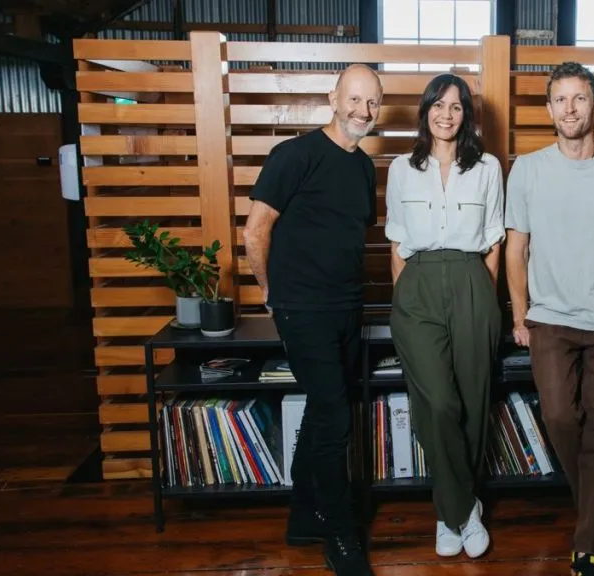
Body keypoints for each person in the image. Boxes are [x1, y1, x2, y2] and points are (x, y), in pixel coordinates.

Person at [504, 61, 594, 576]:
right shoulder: (527, 169)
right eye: (560, 100)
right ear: (549, 109)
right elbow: (516, 248)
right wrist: (520, 315)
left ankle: (588, 540)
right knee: (562, 418)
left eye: (579, 99)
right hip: (550, 317)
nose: (570, 108)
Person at [243, 63, 382, 576]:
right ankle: (341, 537)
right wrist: (271, 293)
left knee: (327, 411)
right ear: (333, 97)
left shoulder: (364, 167)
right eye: (354, 99)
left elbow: (349, 233)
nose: (362, 111)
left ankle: (304, 516)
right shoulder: (294, 155)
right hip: (302, 311)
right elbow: (255, 232)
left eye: (371, 103)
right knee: (336, 418)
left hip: (348, 308)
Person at [384, 73, 504, 559]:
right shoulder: (400, 168)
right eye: (438, 104)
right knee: (437, 402)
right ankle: (459, 509)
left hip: (473, 280)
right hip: (418, 285)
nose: (446, 114)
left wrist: (485, 299)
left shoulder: (489, 167)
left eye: (456, 107)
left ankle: (452, 513)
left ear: (466, 115)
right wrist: (405, 298)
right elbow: (396, 241)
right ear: (425, 110)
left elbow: (494, 240)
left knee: (473, 401)